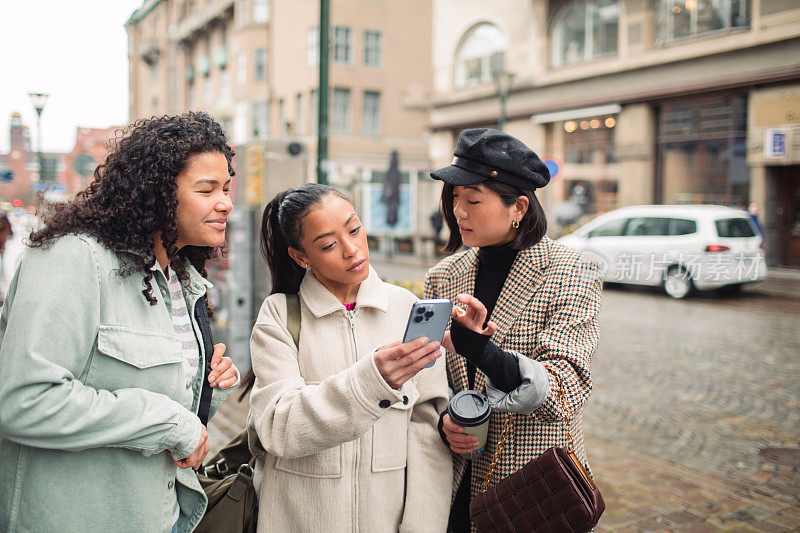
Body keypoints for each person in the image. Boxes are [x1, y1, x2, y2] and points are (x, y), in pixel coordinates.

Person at [0, 112, 240, 533]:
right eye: (206, 190)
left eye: (225, 187)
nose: (225, 202)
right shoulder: (74, 258)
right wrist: (167, 421)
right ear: (157, 193)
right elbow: (24, 399)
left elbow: (168, 405)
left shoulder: (180, 278)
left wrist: (208, 384)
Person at [425, 129, 602, 532]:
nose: (458, 212)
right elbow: (429, 380)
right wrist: (443, 420)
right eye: (454, 198)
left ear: (519, 207)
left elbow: (566, 389)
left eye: (473, 200)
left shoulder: (571, 270)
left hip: (533, 489)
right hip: (454, 485)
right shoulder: (443, 277)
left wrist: (484, 353)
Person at [247, 183, 452, 531]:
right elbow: (278, 427)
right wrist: (371, 382)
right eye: (328, 244)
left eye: (354, 229)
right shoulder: (279, 316)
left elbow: (427, 434)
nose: (351, 249)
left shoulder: (406, 309)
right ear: (300, 257)